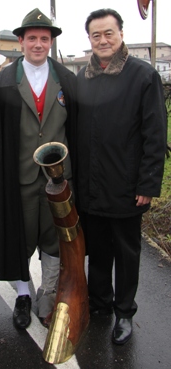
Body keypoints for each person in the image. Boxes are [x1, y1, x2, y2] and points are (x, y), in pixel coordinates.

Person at [0, 8, 77, 330]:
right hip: (20, 178)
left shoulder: (66, 80)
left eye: (45, 39)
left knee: (54, 239)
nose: (39, 44)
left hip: (60, 178)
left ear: (51, 42)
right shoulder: (3, 82)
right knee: (20, 236)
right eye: (32, 38)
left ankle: (48, 294)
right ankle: (22, 296)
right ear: (21, 41)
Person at [76, 8, 167, 345]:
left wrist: (148, 183)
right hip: (91, 187)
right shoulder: (82, 79)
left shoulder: (142, 76)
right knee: (97, 251)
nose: (102, 40)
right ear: (89, 40)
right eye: (96, 35)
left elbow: (155, 134)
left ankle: (124, 312)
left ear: (121, 34)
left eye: (108, 33)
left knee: (127, 255)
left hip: (127, 187)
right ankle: (99, 305)